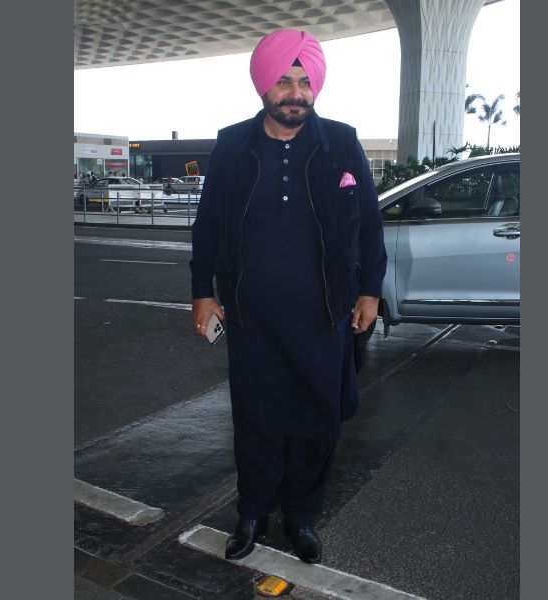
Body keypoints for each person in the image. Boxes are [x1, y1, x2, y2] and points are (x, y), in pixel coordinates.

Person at [190, 28, 386, 565]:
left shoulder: (341, 142)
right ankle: (252, 513)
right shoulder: (233, 145)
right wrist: (202, 292)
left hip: (324, 313)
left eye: (304, 81)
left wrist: (370, 290)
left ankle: (301, 516)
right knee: (256, 421)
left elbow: (370, 224)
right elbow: (207, 227)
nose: (295, 92)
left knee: (316, 423)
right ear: (263, 85)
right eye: (283, 81)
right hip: (252, 315)